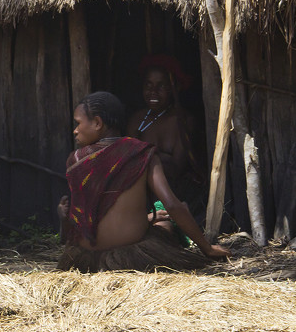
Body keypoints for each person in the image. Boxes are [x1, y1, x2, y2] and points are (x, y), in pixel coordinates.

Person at [57, 92, 229, 272]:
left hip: (86, 259)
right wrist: (207, 248)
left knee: (157, 220)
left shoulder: (76, 160)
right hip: (132, 256)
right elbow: (172, 205)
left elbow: (86, 219)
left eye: (78, 123)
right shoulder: (141, 153)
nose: (75, 130)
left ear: (98, 123)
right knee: (165, 225)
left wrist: (63, 218)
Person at [126, 57, 203, 208]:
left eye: (161, 86)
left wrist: (147, 157)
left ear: (174, 88)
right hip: (137, 197)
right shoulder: (137, 120)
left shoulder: (182, 121)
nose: (153, 92)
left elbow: (176, 169)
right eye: (149, 85)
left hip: (171, 196)